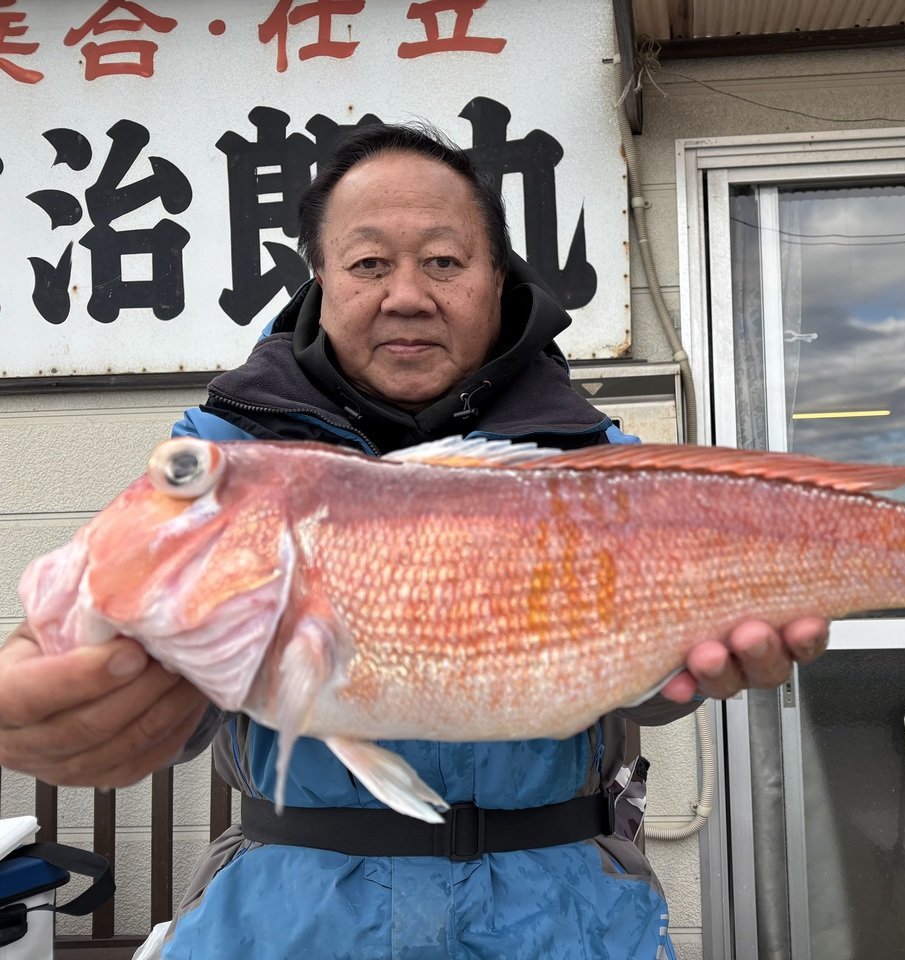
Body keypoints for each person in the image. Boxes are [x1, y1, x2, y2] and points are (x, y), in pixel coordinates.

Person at [0, 122, 828, 959]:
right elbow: (152, 677)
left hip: (561, 914)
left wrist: (676, 671)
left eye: (443, 261)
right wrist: (94, 693)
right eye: (368, 264)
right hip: (287, 918)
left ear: (497, 278)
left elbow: (648, 692)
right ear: (321, 279)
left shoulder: (596, 466)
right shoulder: (225, 464)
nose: (406, 295)